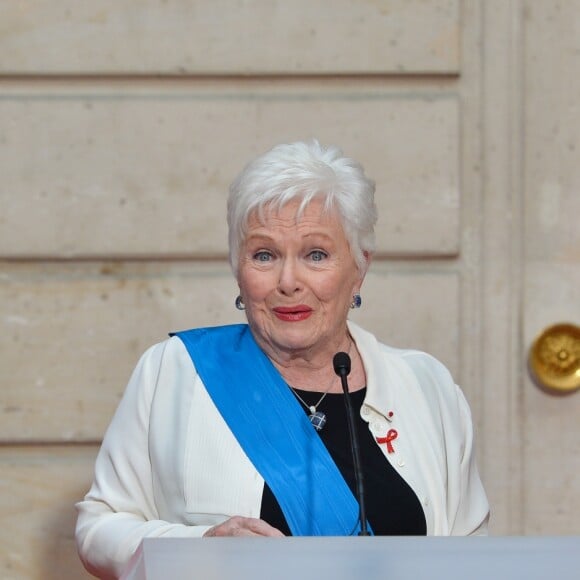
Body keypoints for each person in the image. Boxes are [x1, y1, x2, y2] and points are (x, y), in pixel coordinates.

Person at [75, 140, 490, 578]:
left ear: (360, 267)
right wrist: (202, 548)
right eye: (265, 255)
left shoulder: (426, 386)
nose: (288, 282)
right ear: (238, 268)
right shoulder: (175, 371)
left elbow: (472, 554)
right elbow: (98, 528)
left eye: (316, 254)